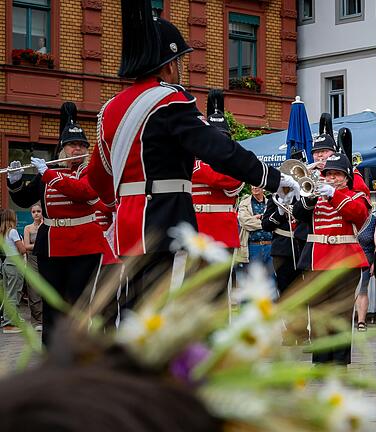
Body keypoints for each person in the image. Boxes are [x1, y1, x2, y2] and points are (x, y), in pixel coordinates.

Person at [84, 0, 298, 308]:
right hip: (166, 220)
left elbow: (99, 180)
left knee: (135, 314)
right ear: (169, 64)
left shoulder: (109, 110)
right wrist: (273, 178)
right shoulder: (171, 100)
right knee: (169, 316)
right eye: (179, 63)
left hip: (126, 226)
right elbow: (220, 151)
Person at [7, 102, 112, 344]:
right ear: (63, 149)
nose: (78, 149)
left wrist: (49, 174)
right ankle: (51, 353)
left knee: (78, 302)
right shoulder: (50, 172)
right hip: (51, 245)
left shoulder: (88, 171)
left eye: (82, 145)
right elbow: (24, 199)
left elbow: (85, 192)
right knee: (51, 303)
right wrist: (15, 181)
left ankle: (79, 351)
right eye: (73, 145)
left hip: (84, 245)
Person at [292, 153, 369, 365]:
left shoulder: (355, 196)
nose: (331, 178)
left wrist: (333, 194)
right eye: (328, 174)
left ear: (346, 177)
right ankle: (321, 359)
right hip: (317, 258)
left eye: (337, 174)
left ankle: (340, 360)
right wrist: (307, 198)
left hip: (345, 257)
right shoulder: (315, 196)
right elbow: (298, 215)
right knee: (317, 310)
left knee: (342, 311)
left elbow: (358, 214)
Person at [192, 90, 244, 252]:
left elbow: (230, 181)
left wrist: (201, 169)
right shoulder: (192, 160)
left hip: (224, 233)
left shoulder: (195, 164)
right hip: (196, 231)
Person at [261, 188, 307, 296]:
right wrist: (279, 213)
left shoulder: (305, 194)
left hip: (304, 247)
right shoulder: (275, 197)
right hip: (282, 248)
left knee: (305, 289)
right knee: (285, 289)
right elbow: (266, 225)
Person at [0, 209, 27, 334]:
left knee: (9, 293)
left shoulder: (3, 232)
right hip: (15, 263)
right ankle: (8, 324)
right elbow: (22, 249)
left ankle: (11, 319)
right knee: (13, 294)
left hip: (7, 262)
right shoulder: (13, 231)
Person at [22, 204, 44, 330]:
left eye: (38, 211)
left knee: (45, 289)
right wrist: (38, 244)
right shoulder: (27, 228)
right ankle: (37, 321)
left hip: (45, 259)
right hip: (32, 259)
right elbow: (26, 246)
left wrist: (33, 244)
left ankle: (46, 319)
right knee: (34, 290)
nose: (36, 214)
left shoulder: (45, 226)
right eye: (33, 212)